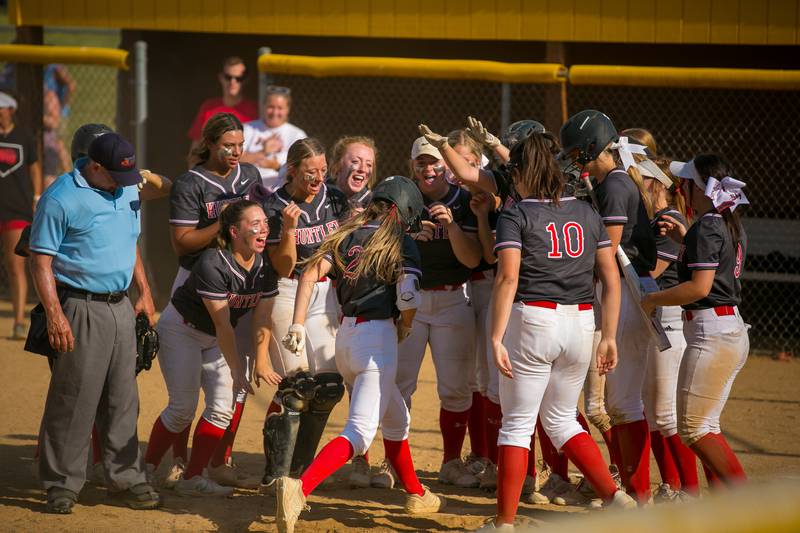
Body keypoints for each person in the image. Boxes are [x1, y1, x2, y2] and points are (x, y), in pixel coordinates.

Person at [476, 132, 635, 532]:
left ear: (523, 171)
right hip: (582, 322)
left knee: (517, 424)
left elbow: (507, 279)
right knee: (562, 420)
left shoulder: (517, 214)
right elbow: (611, 279)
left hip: (533, 321)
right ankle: (616, 497)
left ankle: (504, 524)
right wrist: (610, 334)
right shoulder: (586, 211)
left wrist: (495, 338)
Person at [275, 175, 446, 533]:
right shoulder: (398, 239)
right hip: (376, 339)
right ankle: (299, 488)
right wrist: (407, 326)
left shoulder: (347, 234)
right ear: (404, 210)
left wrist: (297, 324)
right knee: (360, 433)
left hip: (346, 339)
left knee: (397, 418)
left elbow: (309, 275)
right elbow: (410, 297)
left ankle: (416, 492)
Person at [29, 132, 159, 514]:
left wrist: (145, 292)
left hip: (121, 307)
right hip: (80, 306)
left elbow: (128, 241)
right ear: (94, 165)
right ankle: (62, 483)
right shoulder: (61, 198)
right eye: (116, 176)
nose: (125, 183)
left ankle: (124, 477)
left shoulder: (125, 186)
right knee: (75, 397)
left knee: (124, 398)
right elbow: (41, 261)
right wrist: (54, 314)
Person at [144, 200, 279, 496]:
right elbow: (223, 326)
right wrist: (236, 370)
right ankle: (146, 470)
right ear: (233, 231)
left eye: (265, 223)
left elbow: (263, 318)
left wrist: (260, 361)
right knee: (182, 408)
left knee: (221, 409)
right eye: (254, 223)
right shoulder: (212, 262)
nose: (263, 228)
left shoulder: (264, 266)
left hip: (215, 338)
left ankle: (193, 477)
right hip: (182, 330)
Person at [558, 110, 658, 504]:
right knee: (620, 404)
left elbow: (608, 251)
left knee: (624, 404)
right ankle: (634, 494)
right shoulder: (612, 182)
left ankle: (639, 496)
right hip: (623, 292)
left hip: (628, 292)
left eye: (575, 153)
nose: (573, 160)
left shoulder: (616, 185)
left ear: (589, 149)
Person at [168, 112, 263, 488]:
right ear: (209, 144)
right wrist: (222, 223)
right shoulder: (191, 183)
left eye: (241, 145)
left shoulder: (250, 177)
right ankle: (180, 459)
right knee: (189, 385)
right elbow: (182, 243)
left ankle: (219, 460)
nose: (236, 152)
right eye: (228, 146)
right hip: (197, 280)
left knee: (234, 381)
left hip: (239, 284)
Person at [643, 154, 749, 488]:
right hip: (725, 328)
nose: (680, 187)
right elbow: (716, 269)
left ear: (698, 187)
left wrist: (652, 298)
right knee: (708, 428)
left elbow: (700, 287)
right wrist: (685, 239)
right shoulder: (725, 221)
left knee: (695, 430)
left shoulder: (708, 226)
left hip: (711, 332)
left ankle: (745, 504)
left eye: (686, 182)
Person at [258, 137, 350, 491]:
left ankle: (301, 472)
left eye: (324, 171)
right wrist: (290, 231)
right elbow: (282, 267)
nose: (318, 178)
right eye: (310, 172)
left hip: (323, 294)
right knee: (297, 387)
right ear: (292, 170)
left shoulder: (334, 199)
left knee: (328, 386)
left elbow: (342, 246)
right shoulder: (273, 207)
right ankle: (276, 473)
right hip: (287, 291)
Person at [392, 134, 482, 488]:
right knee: (400, 386)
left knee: (456, 389)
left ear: (445, 164)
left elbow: (473, 259)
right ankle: (394, 462)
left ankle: (450, 462)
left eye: (434, 162)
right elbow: (384, 249)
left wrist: (451, 226)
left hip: (453, 299)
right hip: (410, 297)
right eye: (421, 163)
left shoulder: (462, 200)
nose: (428, 169)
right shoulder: (402, 196)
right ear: (411, 166)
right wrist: (411, 236)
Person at [0, 92, 42, 339]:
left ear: (10, 110)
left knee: (16, 265)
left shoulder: (24, 136)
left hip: (17, 207)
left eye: (2, 108)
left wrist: (36, 197)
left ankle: (18, 320)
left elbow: (34, 168)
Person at [187, 57, 258, 167]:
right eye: (228, 77)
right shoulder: (208, 107)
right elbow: (195, 151)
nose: (232, 82)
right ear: (221, 78)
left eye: (238, 78)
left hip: (242, 174)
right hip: (210, 173)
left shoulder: (255, 110)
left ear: (245, 80)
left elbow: (260, 155)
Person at [241, 85, 306, 192]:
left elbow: (301, 168)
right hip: (247, 187)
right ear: (264, 106)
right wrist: (263, 152)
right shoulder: (248, 128)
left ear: (287, 109)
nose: (275, 112)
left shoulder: (297, 135)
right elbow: (235, 160)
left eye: (280, 108)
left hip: (281, 192)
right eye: (271, 107)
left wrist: (276, 165)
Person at [326, 135, 376, 211]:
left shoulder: (372, 204)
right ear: (337, 165)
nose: (363, 169)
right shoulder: (320, 193)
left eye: (369, 165)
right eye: (355, 162)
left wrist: (360, 221)